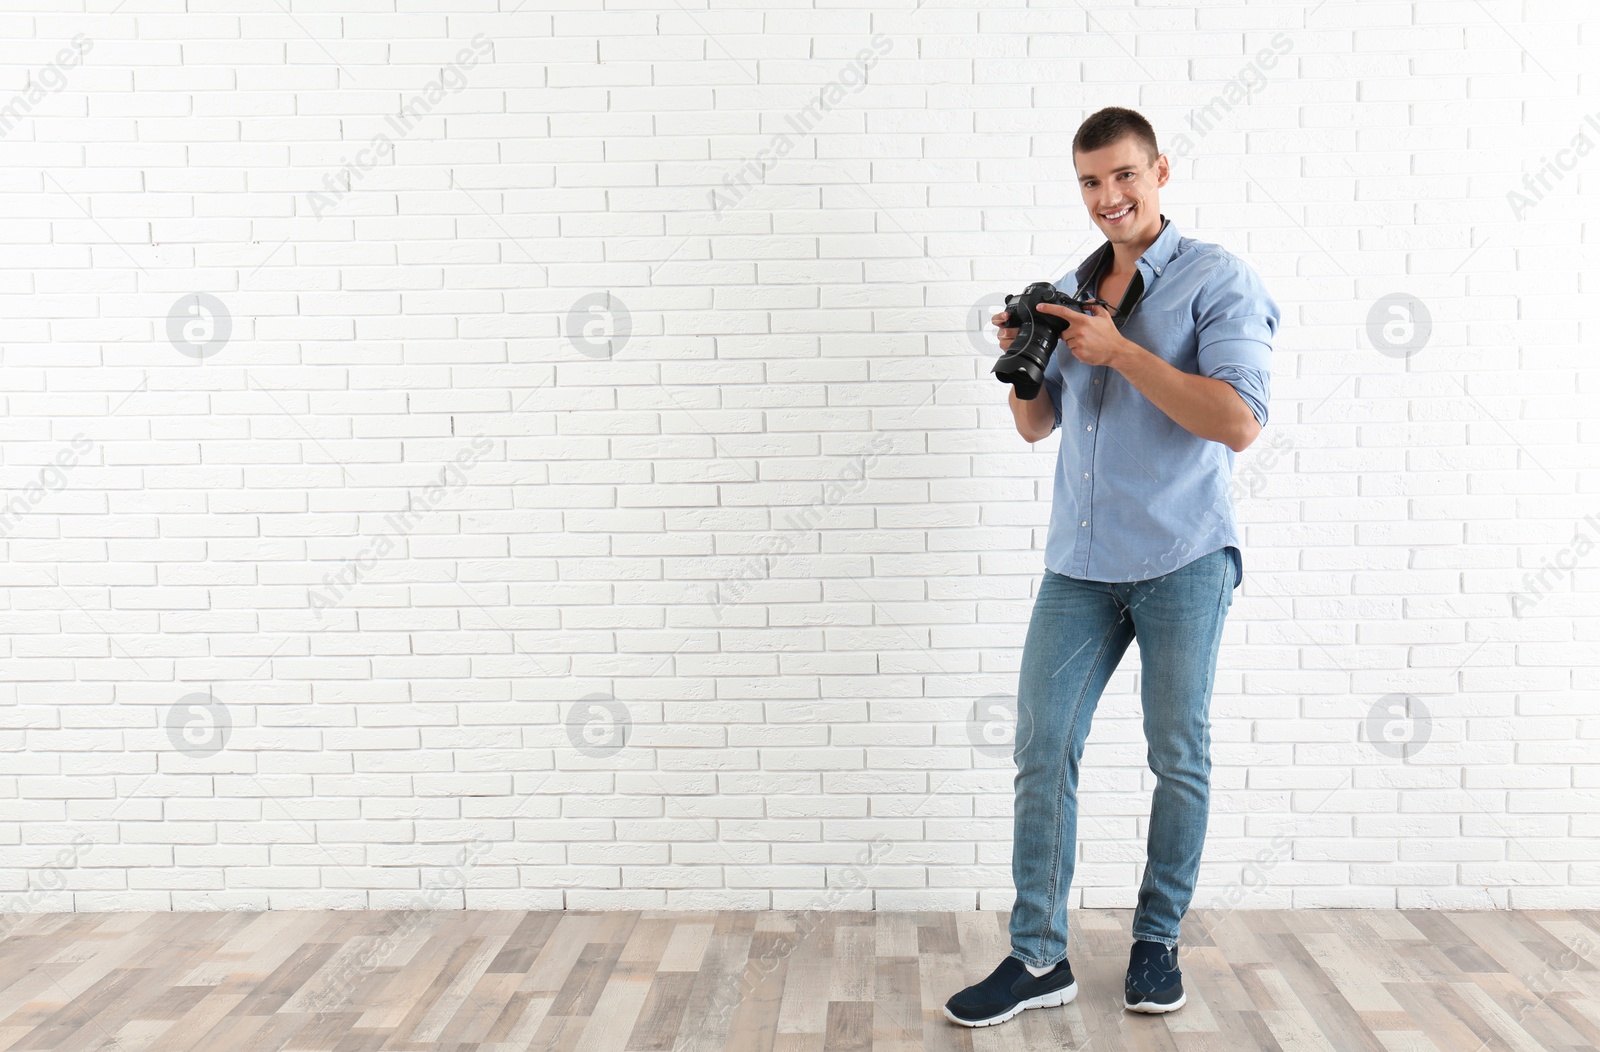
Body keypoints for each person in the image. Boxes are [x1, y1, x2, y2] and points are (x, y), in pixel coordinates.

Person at [944, 106, 1280, 1027]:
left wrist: (1122, 352)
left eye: (1124, 176)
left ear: (1160, 171)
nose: (1108, 198)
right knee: (1041, 748)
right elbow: (1036, 426)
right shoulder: (1069, 285)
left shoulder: (1218, 280)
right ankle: (1038, 958)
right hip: (1080, 566)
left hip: (1182, 557)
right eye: (1091, 182)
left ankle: (1155, 942)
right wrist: (1024, 360)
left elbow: (1239, 423)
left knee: (1178, 755)